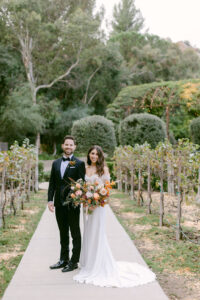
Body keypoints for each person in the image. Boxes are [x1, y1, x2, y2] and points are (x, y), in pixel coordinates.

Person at [73, 145, 156, 287]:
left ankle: (99, 262)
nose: (94, 156)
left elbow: (106, 190)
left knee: (97, 232)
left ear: (100, 156)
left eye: (96, 154)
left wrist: (97, 201)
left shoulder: (103, 169)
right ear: (89, 155)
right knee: (88, 232)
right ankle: (89, 261)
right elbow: (84, 187)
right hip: (87, 206)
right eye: (92, 153)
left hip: (98, 207)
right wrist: (85, 200)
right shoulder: (85, 169)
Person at [48, 135, 85, 272]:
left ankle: (74, 261)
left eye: (71, 145)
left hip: (73, 204)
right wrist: (50, 200)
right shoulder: (55, 163)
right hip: (58, 203)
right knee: (63, 232)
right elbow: (52, 183)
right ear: (63, 146)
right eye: (66, 144)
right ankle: (64, 259)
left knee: (75, 232)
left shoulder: (79, 163)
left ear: (74, 147)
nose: (69, 147)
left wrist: (77, 199)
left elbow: (82, 184)